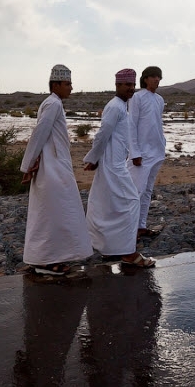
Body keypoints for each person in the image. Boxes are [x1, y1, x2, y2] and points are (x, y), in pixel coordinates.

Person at [20, 64, 92, 275]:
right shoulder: (52, 104)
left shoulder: (53, 103)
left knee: (53, 214)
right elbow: (39, 134)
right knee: (53, 214)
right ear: (56, 84)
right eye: (68, 83)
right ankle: (47, 262)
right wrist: (27, 165)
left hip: (53, 166)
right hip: (52, 169)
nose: (71, 87)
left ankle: (47, 258)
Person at [83, 68, 155, 267]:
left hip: (114, 162)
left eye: (133, 85)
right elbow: (102, 135)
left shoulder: (122, 106)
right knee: (132, 202)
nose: (131, 89)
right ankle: (128, 253)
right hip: (113, 165)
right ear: (117, 85)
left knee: (105, 204)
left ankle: (108, 248)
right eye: (127, 85)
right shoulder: (115, 106)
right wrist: (94, 158)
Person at [129, 65, 166, 240]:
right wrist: (135, 151)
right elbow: (132, 125)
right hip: (141, 154)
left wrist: (162, 145)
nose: (157, 80)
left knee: (148, 190)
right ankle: (129, 230)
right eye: (153, 77)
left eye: (159, 77)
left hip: (157, 151)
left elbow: (157, 124)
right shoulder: (137, 97)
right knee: (136, 191)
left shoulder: (159, 99)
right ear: (145, 79)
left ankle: (141, 226)